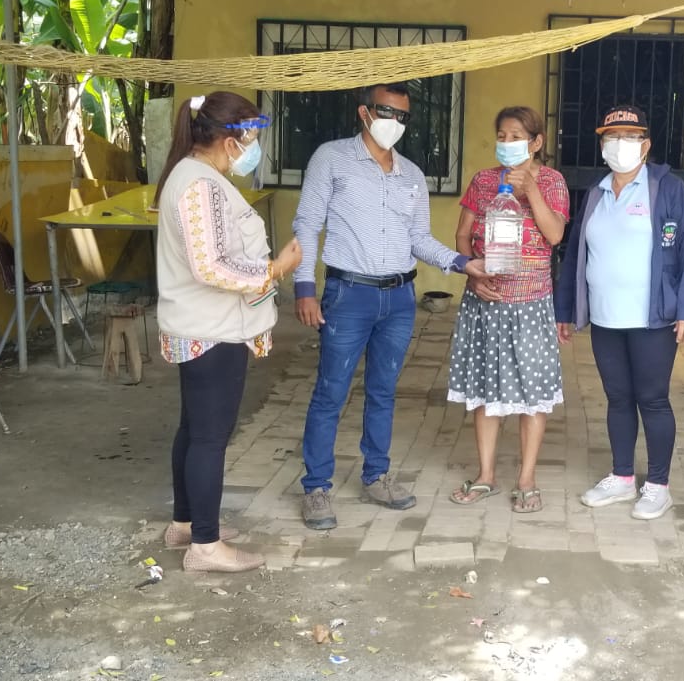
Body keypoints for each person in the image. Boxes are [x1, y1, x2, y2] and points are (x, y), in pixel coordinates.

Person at [292, 83, 490, 530]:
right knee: (331, 391)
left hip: (400, 299)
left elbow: (419, 239)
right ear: (364, 112)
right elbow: (307, 222)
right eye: (387, 112)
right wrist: (304, 287)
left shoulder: (411, 175)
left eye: (403, 116)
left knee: (383, 390)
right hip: (349, 294)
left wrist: (462, 264)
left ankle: (376, 476)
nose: (394, 122)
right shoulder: (331, 159)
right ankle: (317, 487)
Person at [155, 91, 303, 572]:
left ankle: (185, 524)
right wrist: (276, 269)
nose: (255, 146)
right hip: (212, 330)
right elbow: (212, 267)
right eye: (252, 136)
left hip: (202, 325)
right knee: (209, 438)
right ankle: (205, 546)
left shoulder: (194, 176)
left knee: (194, 429)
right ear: (230, 139)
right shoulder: (199, 185)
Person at [555, 105, 684, 521]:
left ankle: (657, 486)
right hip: (606, 318)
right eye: (612, 137)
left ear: (646, 145)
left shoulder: (667, 189)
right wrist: (565, 309)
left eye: (630, 137)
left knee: (652, 399)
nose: (620, 145)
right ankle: (622, 477)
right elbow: (575, 255)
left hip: (652, 318)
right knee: (618, 398)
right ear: (602, 144)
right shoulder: (596, 192)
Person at [447, 107, 570, 513]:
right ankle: (486, 475)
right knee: (485, 390)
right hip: (485, 301)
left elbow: (554, 234)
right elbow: (463, 234)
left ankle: (527, 479)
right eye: (501, 135)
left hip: (531, 302)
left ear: (536, 142)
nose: (506, 143)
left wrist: (530, 188)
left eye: (516, 136)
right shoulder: (483, 181)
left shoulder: (552, 182)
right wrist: (472, 275)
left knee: (532, 393)